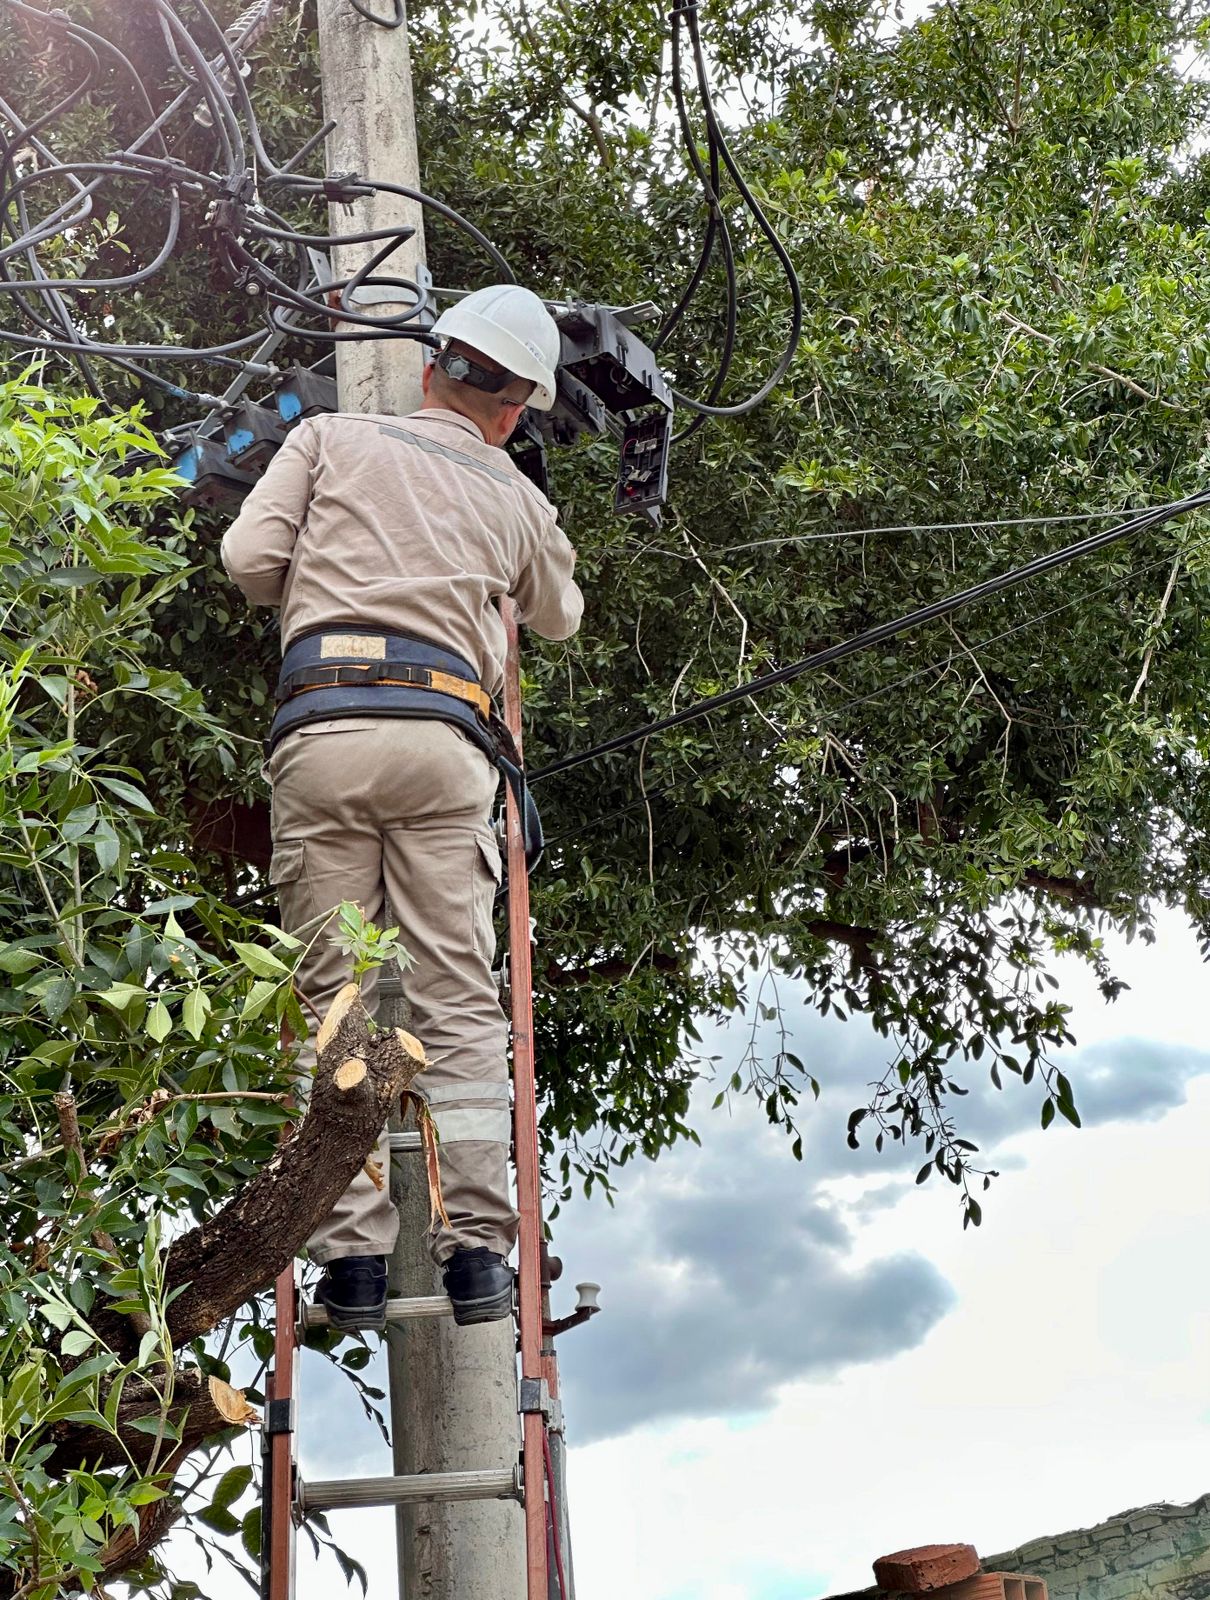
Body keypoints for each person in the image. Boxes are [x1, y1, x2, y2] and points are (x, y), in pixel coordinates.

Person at [220, 284, 583, 1331]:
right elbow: (558, 615)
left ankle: (351, 1265)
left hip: (323, 729)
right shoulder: (511, 487)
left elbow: (248, 564)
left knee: (333, 996)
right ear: (516, 405)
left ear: (434, 365)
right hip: (441, 744)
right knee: (457, 1001)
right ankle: (477, 1257)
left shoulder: (329, 438)